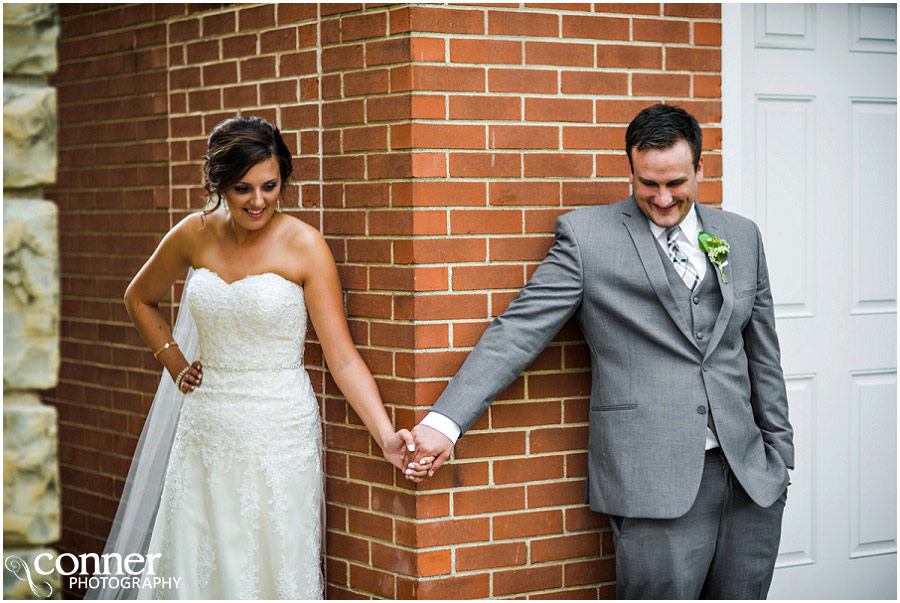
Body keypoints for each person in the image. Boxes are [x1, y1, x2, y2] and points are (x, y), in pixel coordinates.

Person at [407, 104, 793, 598]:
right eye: (647, 184)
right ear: (630, 170)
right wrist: (443, 424)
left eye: (675, 183)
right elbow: (519, 331)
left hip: (751, 481)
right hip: (654, 482)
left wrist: (780, 457)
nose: (662, 198)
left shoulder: (741, 235)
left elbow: (763, 354)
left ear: (701, 167)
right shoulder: (587, 238)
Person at [87, 116, 431, 600]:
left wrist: (384, 436)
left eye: (269, 186)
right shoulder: (193, 233)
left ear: (283, 180)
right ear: (220, 184)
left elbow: (343, 357)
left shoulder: (305, 245)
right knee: (192, 562)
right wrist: (174, 361)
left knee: (270, 567)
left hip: (278, 432)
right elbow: (138, 298)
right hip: (205, 428)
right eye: (242, 188)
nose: (257, 201)